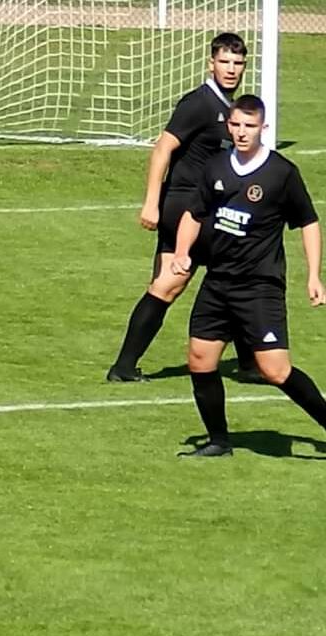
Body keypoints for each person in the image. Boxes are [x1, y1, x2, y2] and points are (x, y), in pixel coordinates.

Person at [173, 95, 325, 457]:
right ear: (229, 125)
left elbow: (308, 222)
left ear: (263, 128)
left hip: (259, 286)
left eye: (250, 126)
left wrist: (314, 276)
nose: (242, 132)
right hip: (218, 281)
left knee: (275, 370)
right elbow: (194, 214)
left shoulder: (281, 173)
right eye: (237, 125)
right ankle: (219, 442)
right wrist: (180, 252)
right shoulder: (215, 167)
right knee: (200, 359)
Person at [108, 32, 261, 383]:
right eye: (224, 62)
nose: (231, 69)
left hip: (188, 208)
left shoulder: (227, 107)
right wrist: (151, 203)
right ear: (211, 64)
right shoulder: (200, 104)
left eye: (237, 63)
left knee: (166, 285)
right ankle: (251, 363)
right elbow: (162, 148)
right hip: (189, 208)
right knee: (237, 273)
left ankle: (123, 367)